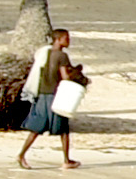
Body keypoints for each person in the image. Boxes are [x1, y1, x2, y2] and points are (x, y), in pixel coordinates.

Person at [12, 28, 85, 170]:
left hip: (42, 94)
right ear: (58, 39)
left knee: (36, 128)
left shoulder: (44, 54)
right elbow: (65, 77)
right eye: (66, 38)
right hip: (55, 94)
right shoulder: (62, 56)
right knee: (63, 129)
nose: (68, 41)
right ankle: (66, 161)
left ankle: (21, 155)